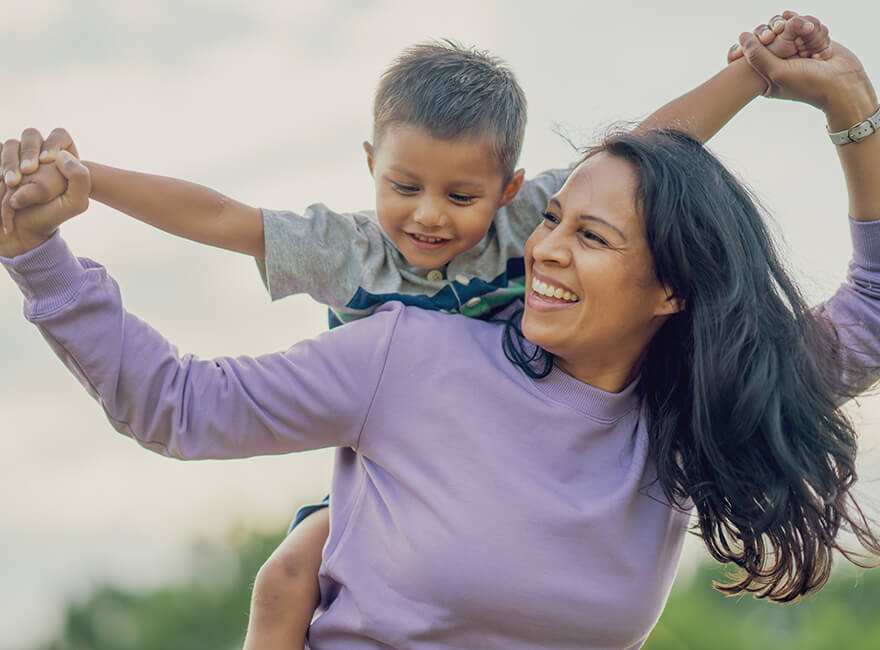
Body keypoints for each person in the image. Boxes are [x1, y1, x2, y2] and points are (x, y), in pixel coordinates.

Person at [4, 18, 873, 650]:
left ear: (672, 292)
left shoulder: (688, 402)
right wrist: (45, 249)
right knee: (285, 574)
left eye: (591, 236)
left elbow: (862, 319)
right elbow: (178, 402)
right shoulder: (403, 345)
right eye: (556, 221)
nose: (544, 248)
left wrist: (850, 111)